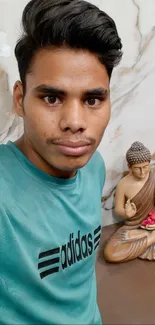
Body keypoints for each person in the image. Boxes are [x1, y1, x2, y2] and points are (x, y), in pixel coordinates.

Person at [0, 0, 122, 324]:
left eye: (93, 99)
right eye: (52, 98)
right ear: (19, 99)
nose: (75, 122)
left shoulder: (93, 166)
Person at [104, 141, 155, 263]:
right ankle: (151, 238)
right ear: (129, 167)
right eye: (138, 168)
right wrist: (126, 214)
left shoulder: (153, 178)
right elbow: (118, 209)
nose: (142, 172)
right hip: (133, 226)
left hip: (152, 223)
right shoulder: (123, 184)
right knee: (110, 254)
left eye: (145, 167)